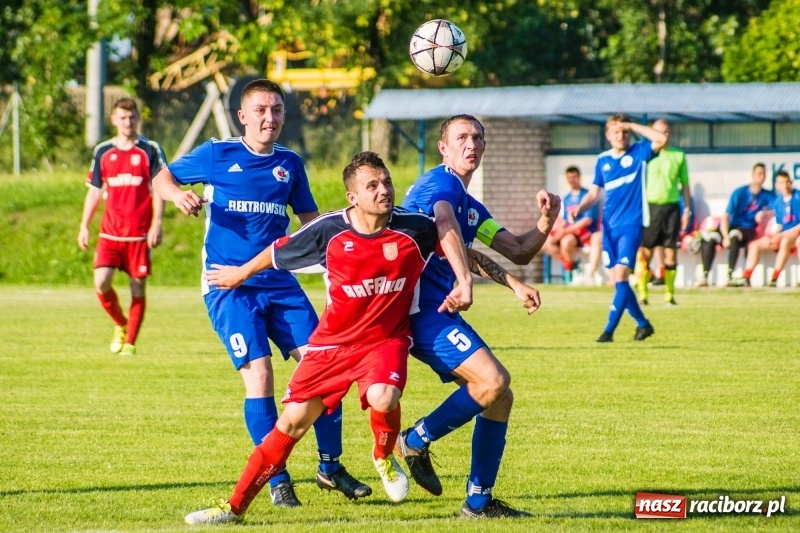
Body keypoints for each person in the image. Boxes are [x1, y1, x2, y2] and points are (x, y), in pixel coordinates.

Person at [182, 150, 477, 524]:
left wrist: (496, 281)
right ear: (352, 197)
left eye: (386, 181)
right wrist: (239, 274)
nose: (384, 189)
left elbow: (452, 241)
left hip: (385, 342)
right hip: (331, 346)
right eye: (372, 185)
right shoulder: (328, 231)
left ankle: (384, 456)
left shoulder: (414, 227)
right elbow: (276, 252)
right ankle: (233, 507)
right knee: (290, 425)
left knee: (383, 396)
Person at [153, 79, 368, 507]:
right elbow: (162, 176)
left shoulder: (290, 163)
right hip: (227, 285)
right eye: (262, 110)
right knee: (262, 375)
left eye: (277, 110)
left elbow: (310, 222)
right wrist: (178, 195)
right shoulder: (218, 154)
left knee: (325, 372)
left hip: (279, 283)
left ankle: (330, 467)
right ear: (243, 116)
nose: (270, 118)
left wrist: (346, 252)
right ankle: (277, 478)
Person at [397, 114, 561, 518]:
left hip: (439, 310)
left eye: (478, 138)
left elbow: (519, 249)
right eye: (462, 137)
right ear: (444, 147)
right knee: (494, 381)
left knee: (499, 397)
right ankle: (414, 441)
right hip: (420, 311)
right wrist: (462, 281)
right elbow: (443, 221)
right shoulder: (442, 184)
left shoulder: (469, 206)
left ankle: (478, 502)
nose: (471, 144)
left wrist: (545, 222)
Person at [78, 97, 167, 357]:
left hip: (139, 235)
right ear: (114, 120)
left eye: (132, 117)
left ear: (138, 118)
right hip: (109, 234)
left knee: (137, 287)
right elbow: (94, 192)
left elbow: (159, 190)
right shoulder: (103, 151)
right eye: (122, 117)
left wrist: (156, 224)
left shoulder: (150, 150)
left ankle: (130, 342)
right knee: (101, 282)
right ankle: (120, 322)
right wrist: (84, 226)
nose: (128, 122)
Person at [570, 114, 667, 342]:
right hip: (609, 227)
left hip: (632, 224)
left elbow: (661, 138)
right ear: (607, 135)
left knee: (621, 275)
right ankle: (643, 325)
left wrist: (631, 124)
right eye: (616, 131)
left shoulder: (640, 152)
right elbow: (594, 193)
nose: (621, 136)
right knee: (618, 279)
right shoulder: (602, 160)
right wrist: (580, 208)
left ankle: (608, 332)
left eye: (624, 132)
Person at [635, 119, 692, 306]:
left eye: (666, 132)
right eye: (659, 132)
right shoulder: (646, 155)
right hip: (650, 208)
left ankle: (669, 296)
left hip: (672, 208)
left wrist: (687, 210)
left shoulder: (678, 155)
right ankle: (643, 295)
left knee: (670, 254)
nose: (663, 136)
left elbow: (685, 185)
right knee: (645, 253)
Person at [730, 170, 800, 287]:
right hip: (782, 234)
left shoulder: (797, 197)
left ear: (791, 182)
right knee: (754, 245)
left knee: (785, 241)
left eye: (787, 182)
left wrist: (782, 235)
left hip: (795, 233)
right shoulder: (778, 201)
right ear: (777, 185)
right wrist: (774, 235)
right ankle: (746, 277)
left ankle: (774, 278)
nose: (785, 185)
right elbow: (779, 223)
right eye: (781, 183)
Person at [542, 166, 599, 284]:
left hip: (584, 232)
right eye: (569, 177)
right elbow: (563, 219)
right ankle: (570, 264)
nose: (572, 180)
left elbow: (587, 220)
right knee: (546, 242)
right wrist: (558, 230)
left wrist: (565, 231)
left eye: (574, 177)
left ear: (579, 177)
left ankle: (568, 275)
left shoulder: (587, 195)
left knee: (566, 242)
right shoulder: (566, 198)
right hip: (569, 231)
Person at [723, 163, 776, 287]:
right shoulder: (739, 192)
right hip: (733, 227)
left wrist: (764, 213)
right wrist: (725, 235)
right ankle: (705, 276)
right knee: (710, 237)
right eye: (759, 174)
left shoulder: (767, 195)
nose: (761, 177)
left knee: (735, 235)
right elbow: (726, 216)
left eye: (763, 174)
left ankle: (732, 274)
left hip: (748, 228)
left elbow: (778, 208)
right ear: (752, 175)